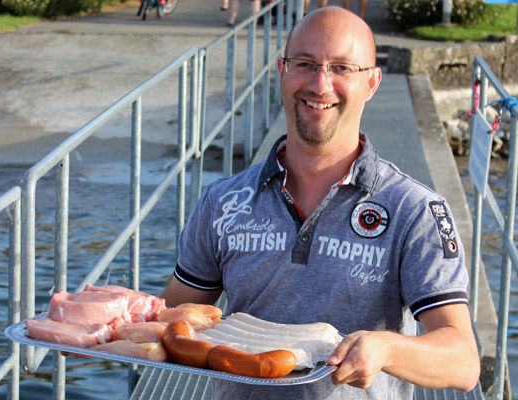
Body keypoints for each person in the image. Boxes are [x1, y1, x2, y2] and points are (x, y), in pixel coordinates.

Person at [161, 6, 480, 399]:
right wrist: (105, 318)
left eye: (342, 68)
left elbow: (463, 360)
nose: (319, 84)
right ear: (282, 70)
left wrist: (387, 348)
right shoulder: (224, 201)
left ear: (372, 83)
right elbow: (173, 314)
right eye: (305, 64)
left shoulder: (414, 211)